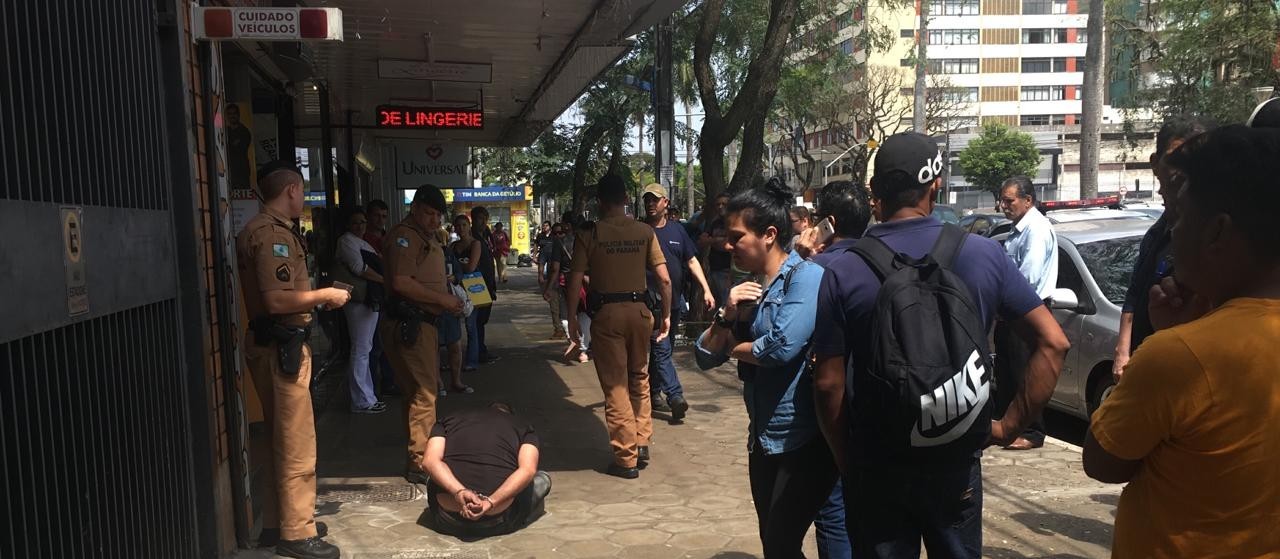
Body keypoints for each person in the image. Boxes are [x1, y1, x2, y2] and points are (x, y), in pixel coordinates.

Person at [811, 133, 1069, 558]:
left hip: (878, 460)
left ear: (875, 193)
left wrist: (847, 461)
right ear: (936, 184)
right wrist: (1007, 427)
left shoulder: (844, 269)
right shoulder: (983, 255)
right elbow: (1054, 343)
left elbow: (827, 384)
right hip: (955, 456)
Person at [1083, 125, 1280, 558]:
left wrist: (1171, 339)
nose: (1172, 236)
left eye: (1178, 218)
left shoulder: (1179, 357)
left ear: (1216, 231)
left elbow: (1102, 461)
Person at [693, 178, 834, 558]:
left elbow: (779, 348)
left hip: (802, 440)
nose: (727, 245)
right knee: (774, 543)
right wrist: (725, 315)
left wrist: (733, 347)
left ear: (769, 234)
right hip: (763, 438)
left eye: (736, 236)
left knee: (782, 541)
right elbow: (704, 356)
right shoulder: (751, 288)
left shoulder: (806, 278)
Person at [236, 161, 350, 559]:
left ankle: (276, 522)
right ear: (292, 190)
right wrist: (325, 296)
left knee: (275, 440)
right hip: (281, 348)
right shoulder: (271, 235)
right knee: (297, 443)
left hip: (272, 344)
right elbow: (277, 299)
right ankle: (297, 533)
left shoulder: (261, 230)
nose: (302, 199)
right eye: (301, 192)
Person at [565, 174, 671, 480]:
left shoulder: (591, 233)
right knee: (639, 376)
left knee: (615, 386)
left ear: (599, 202)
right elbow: (663, 279)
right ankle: (642, 439)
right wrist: (665, 315)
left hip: (607, 315)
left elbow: (574, 280)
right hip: (640, 313)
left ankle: (626, 459)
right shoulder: (643, 231)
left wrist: (572, 319)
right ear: (627, 199)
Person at [1113, 116, 1216, 381]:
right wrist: (1123, 352)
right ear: (1155, 164)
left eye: (1197, 158)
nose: (1183, 170)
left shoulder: (1218, 238)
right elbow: (1134, 295)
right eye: (1176, 157)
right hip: (1148, 365)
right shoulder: (1157, 232)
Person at [804, 180, 873, 559]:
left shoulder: (817, 268)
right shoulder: (884, 258)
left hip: (832, 411)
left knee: (832, 509)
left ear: (828, 223)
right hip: (881, 403)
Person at [381, 185, 466, 485]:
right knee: (425, 393)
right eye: (428, 213)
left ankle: (419, 453)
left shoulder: (424, 237)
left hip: (424, 323)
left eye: (438, 215)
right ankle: (421, 463)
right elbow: (402, 282)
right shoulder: (405, 237)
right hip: (411, 324)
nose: (434, 220)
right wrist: (443, 300)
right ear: (415, 208)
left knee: (417, 393)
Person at [641, 183, 716, 420]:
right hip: (649, 305)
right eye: (647, 200)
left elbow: (692, 261)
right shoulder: (640, 231)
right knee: (661, 349)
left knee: (663, 350)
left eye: (655, 199)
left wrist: (706, 289)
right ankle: (675, 395)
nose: (650, 204)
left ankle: (653, 395)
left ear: (666, 203)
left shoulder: (677, 231)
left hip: (673, 304)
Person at [422, 403, 552, 538]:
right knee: (541, 478)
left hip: (447, 518)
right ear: (509, 415)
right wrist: (489, 503)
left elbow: (429, 462)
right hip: (499, 520)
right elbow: (528, 470)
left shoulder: (448, 420)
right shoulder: (523, 427)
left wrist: (459, 491)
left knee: (434, 476)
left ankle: (456, 492)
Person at [994, 175, 1057, 450]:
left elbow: (1027, 278)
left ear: (1028, 200)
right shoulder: (1018, 229)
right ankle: (1008, 426)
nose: (1004, 206)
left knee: (1025, 372)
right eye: (1002, 201)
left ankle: (1032, 431)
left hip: (1028, 310)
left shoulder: (1037, 229)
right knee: (1007, 370)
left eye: (1009, 200)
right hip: (1010, 312)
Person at [334, 208, 387, 414]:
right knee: (361, 349)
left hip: (368, 300)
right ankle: (361, 400)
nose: (360, 226)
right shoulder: (346, 241)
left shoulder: (362, 242)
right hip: (357, 299)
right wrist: (384, 280)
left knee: (365, 347)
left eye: (363, 222)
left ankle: (367, 396)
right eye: (355, 222)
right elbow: (359, 268)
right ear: (348, 225)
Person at [363, 199, 400, 398]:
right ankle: (373, 388)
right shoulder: (361, 240)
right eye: (376, 215)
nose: (380, 220)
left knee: (388, 343)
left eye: (384, 216)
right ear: (368, 216)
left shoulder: (389, 238)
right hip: (371, 298)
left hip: (389, 297)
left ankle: (389, 382)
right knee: (373, 346)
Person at [437, 227, 472, 396]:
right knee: (433, 348)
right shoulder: (421, 252)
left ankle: (456, 381)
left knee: (455, 346)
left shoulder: (448, 253)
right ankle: (438, 384)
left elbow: (459, 272)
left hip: (450, 305)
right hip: (432, 306)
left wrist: (454, 278)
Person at [452, 214, 487, 373]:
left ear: (469, 226)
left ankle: (472, 360)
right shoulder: (452, 246)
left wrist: (457, 268)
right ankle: (455, 360)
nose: (461, 228)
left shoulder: (475, 244)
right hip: (455, 288)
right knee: (453, 325)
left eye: (464, 225)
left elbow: (471, 267)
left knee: (471, 326)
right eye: (458, 225)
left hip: (473, 287)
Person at [471, 206, 500, 364]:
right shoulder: (472, 238)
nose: (482, 222)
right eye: (479, 219)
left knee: (482, 321)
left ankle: (480, 349)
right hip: (477, 285)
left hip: (488, 284)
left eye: (485, 219)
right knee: (477, 321)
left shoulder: (486, 236)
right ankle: (478, 352)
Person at [697, 193, 733, 307]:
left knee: (727, 303)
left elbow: (728, 245)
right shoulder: (714, 222)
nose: (720, 207)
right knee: (719, 304)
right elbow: (702, 241)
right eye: (718, 204)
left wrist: (712, 240)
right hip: (715, 268)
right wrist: (718, 240)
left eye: (724, 204)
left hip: (729, 270)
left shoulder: (734, 222)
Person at [541, 223, 570, 340]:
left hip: (564, 282)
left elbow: (555, 268)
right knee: (555, 307)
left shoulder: (571, 245)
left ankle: (569, 333)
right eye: (556, 233)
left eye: (561, 233)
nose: (558, 235)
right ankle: (559, 329)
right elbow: (542, 262)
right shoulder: (548, 248)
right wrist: (540, 275)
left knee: (566, 309)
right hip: (555, 282)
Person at [225, 103, 252, 190]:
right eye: (229, 114)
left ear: (238, 115)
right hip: (228, 171)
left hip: (241, 172)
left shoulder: (244, 132)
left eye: (234, 113)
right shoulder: (226, 131)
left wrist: (230, 146)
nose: (232, 116)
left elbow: (238, 149)